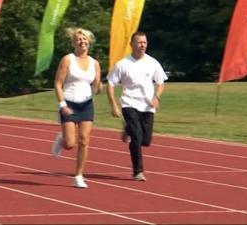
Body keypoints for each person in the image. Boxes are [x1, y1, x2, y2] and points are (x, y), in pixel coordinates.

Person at [107, 31, 168, 181]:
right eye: (139, 42)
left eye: (144, 42)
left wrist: (157, 98)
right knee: (137, 137)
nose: (142, 45)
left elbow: (161, 82)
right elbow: (110, 84)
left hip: (147, 106)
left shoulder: (152, 62)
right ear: (132, 44)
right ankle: (138, 171)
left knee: (145, 140)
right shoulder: (123, 64)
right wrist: (114, 105)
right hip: (129, 103)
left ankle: (127, 129)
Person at [51, 27, 102, 188]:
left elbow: (96, 85)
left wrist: (99, 87)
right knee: (70, 144)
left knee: (85, 140)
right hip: (69, 103)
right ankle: (62, 139)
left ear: (89, 42)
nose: (82, 41)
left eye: (85, 39)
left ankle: (79, 175)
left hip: (86, 104)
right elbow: (58, 83)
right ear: (74, 43)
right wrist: (62, 104)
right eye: (79, 39)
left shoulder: (95, 63)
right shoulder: (68, 59)